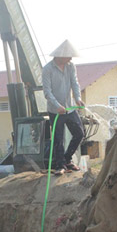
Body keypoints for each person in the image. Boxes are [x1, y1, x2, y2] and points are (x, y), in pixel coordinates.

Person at [42, 39, 85, 175]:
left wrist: (78, 98)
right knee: (58, 138)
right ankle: (60, 165)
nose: (70, 58)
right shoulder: (48, 69)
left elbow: (75, 83)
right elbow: (47, 92)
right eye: (68, 56)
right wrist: (57, 106)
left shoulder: (71, 66)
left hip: (70, 107)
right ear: (61, 55)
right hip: (56, 110)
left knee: (79, 133)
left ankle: (67, 159)